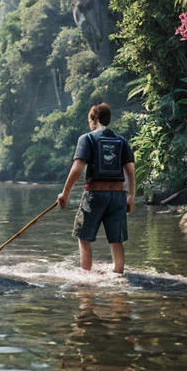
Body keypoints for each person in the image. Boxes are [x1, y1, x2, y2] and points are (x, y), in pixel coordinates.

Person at [57, 102, 135, 274]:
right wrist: (130, 196)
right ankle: (118, 276)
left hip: (96, 195)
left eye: (89, 119)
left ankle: (86, 277)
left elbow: (77, 168)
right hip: (117, 196)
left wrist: (65, 193)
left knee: (84, 238)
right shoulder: (122, 141)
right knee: (117, 240)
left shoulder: (87, 139)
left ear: (94, 119)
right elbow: (130, 171)